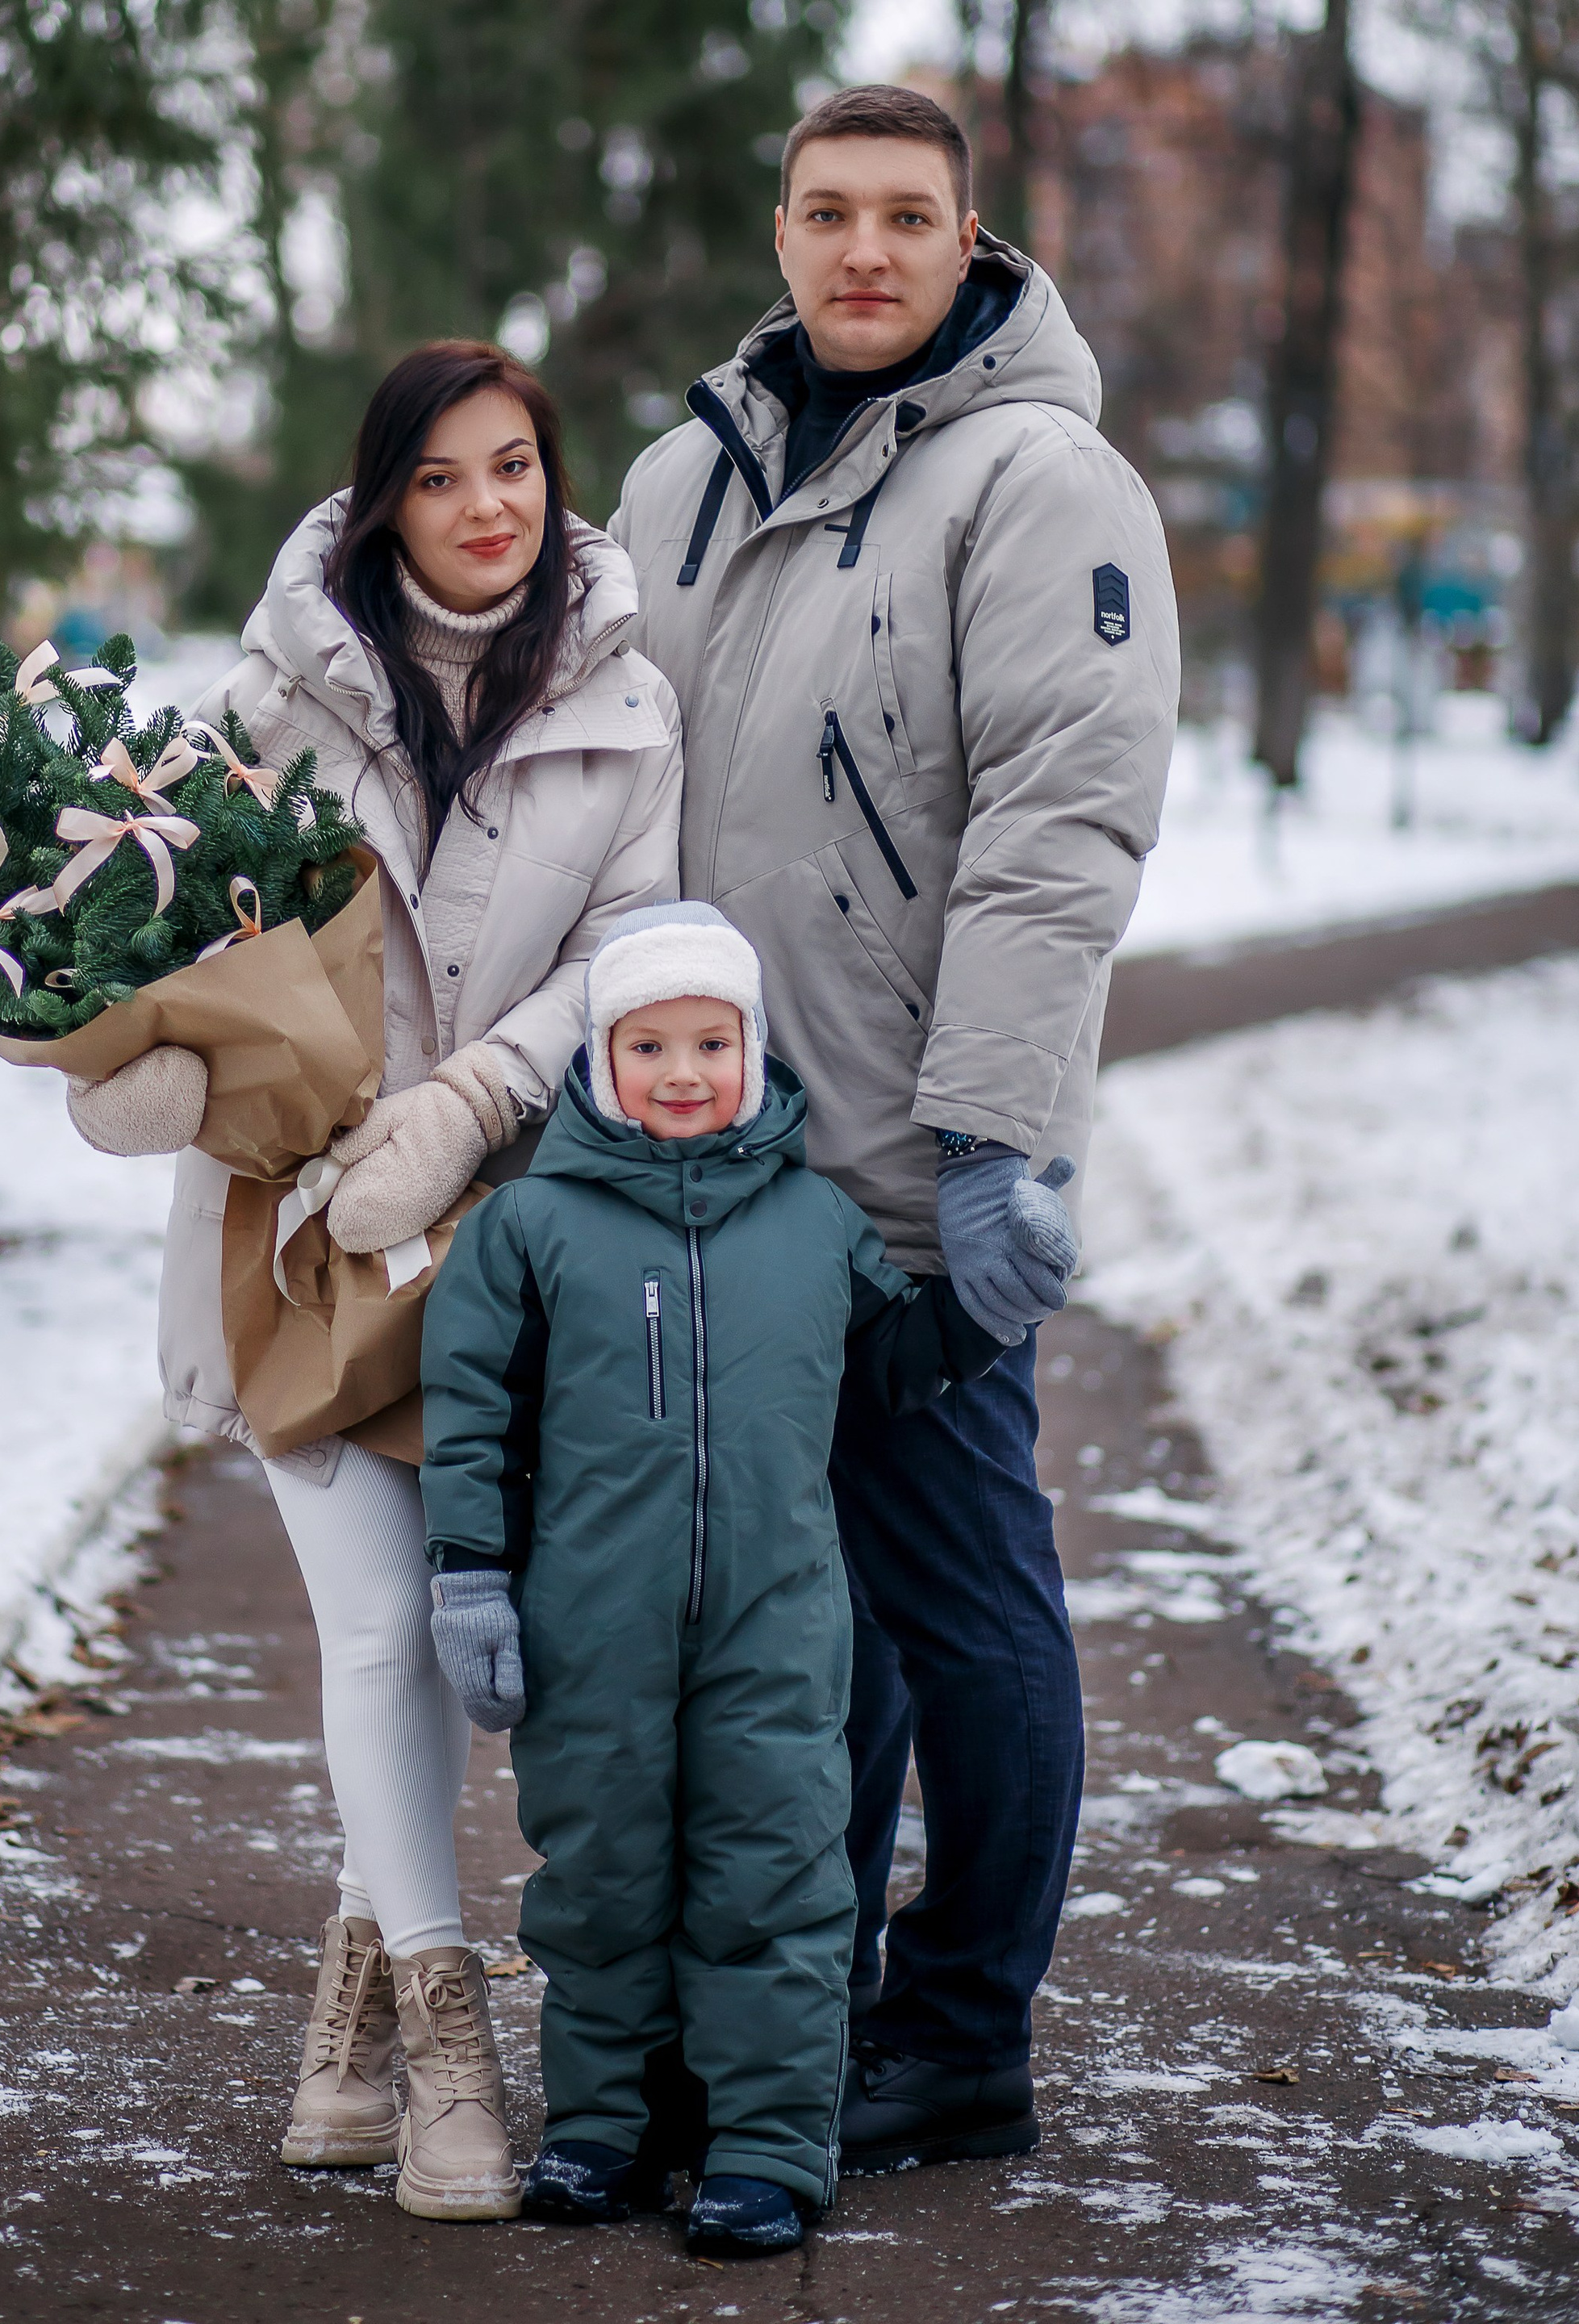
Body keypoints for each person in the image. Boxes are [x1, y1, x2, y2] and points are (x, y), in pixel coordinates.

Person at [608, 82, 1180, 2174]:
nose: (865, 252)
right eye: (829, 214)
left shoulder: (1043, 483)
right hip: (702, 1155)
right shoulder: (681, 483)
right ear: (779, 235)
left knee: (957, 1597)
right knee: (785, 1606)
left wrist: (996, 1136)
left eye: (907, 219)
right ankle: (796, 1999)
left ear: (971, 244)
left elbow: (1060, 828)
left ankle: (960, 2033)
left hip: (911, 1163)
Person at [65, 341, 681, 2220]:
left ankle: (345, 2011)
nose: (489, 506)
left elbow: (636, 948)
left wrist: (477, 1092)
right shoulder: (267, 702)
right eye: (442, 476)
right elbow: (169, 932)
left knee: (454, 1646)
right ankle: (440, 2049)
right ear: (380, 500)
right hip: (294, 1232)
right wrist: (139, 1064)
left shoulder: (629, 701)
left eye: (516, 468)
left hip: (506, 1239)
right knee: (379, 1636)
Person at [417, 903, 1004, 2259]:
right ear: (599, 1064)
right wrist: (471, 1577)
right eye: (649, 1046)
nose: (683, 1072)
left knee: (778, 1873)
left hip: (777, 1621)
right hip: (591, 1621)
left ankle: (766, 2151)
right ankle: (601, 2129)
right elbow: (470, 1413)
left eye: (711, 1042)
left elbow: (893, 1373)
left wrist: (984, 1301)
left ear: (753, 1051)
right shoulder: (530, 1228)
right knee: (602, 1876)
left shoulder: (816, 1222)